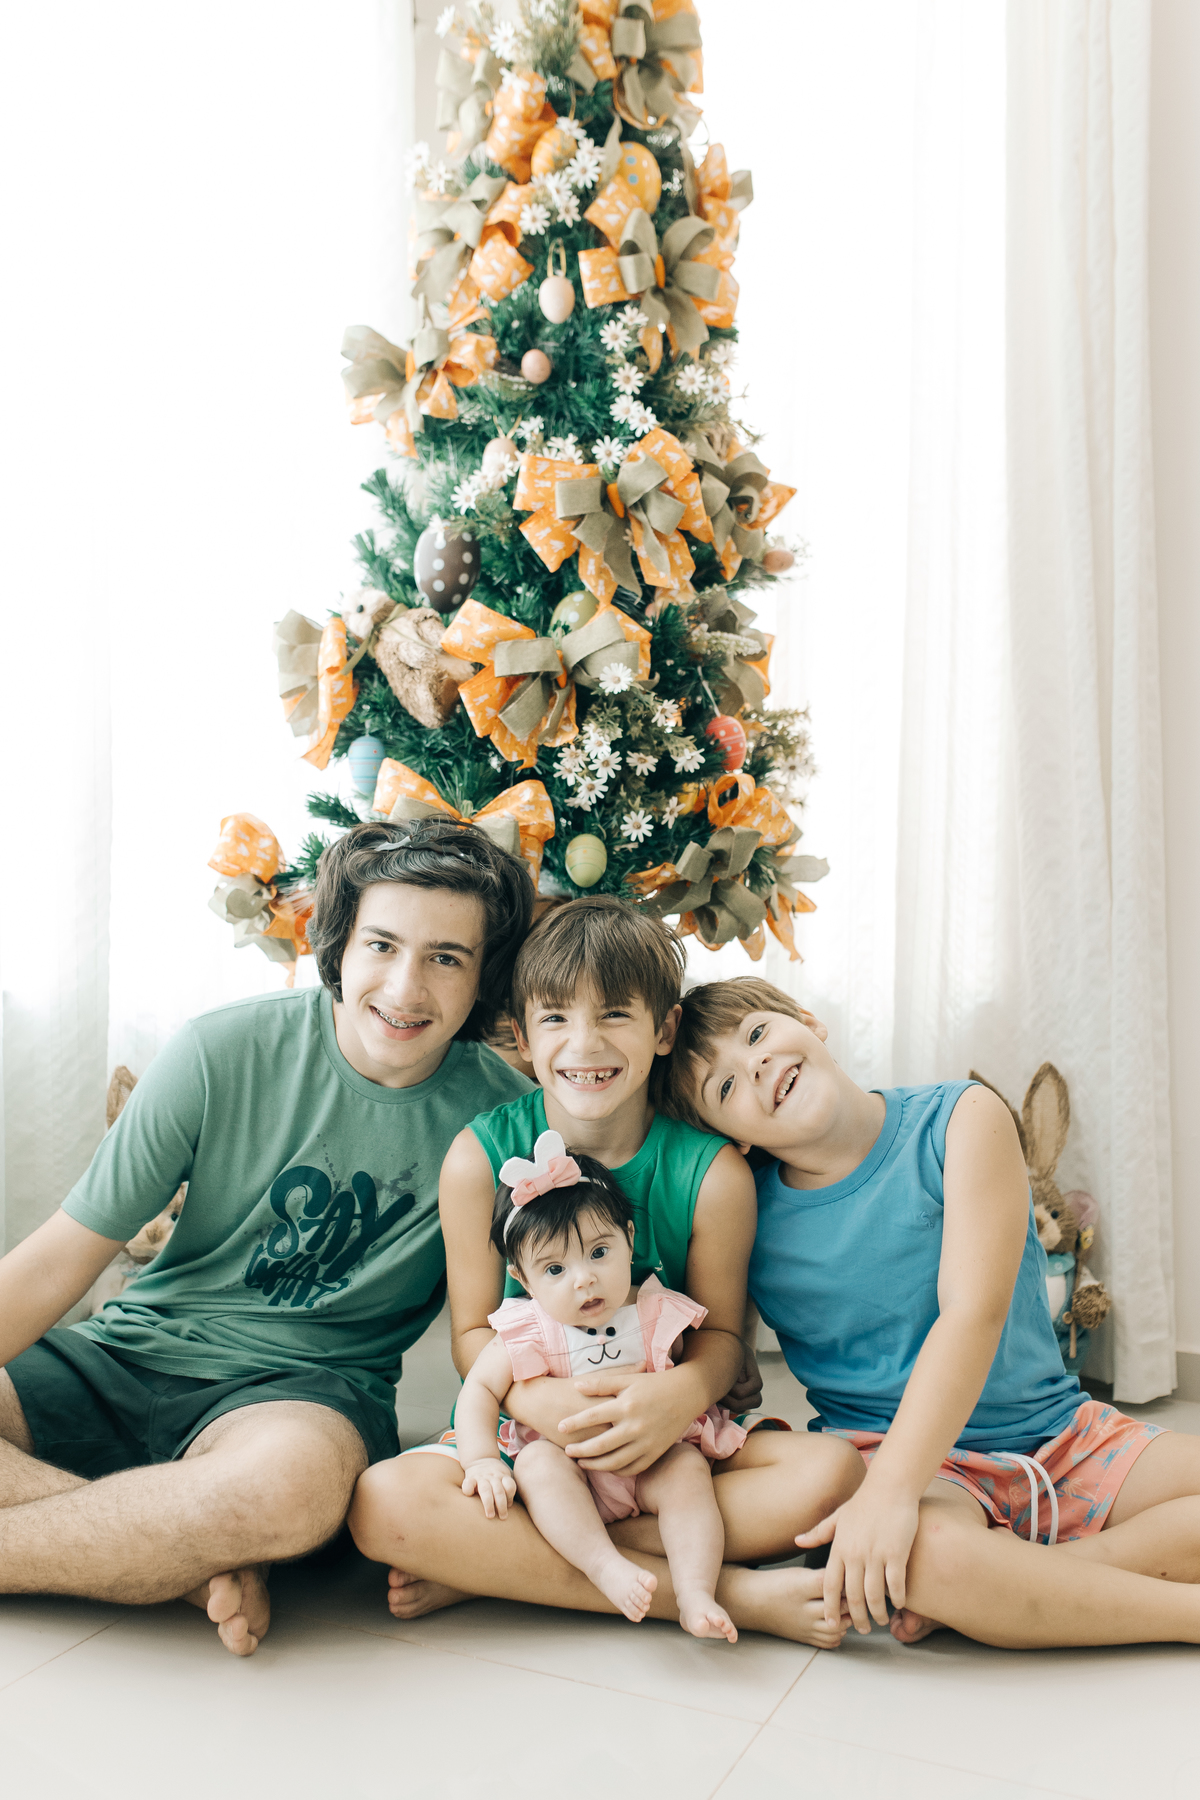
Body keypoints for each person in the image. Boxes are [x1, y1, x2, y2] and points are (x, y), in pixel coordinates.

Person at [0, 819, 533, 1656]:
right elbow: (56, 1261)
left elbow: (523, 1321)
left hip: (301, 1399)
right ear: (338, 944)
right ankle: (173, 1557)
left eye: (446, 958)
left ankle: (151, 1540)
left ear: (482, 979)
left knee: (288, 1492)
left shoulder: (505, 1123)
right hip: (123, 1355)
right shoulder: (217, 1051)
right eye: (382, 945)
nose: (405, 988)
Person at [350, 897, 863, 1646]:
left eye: (616, 1014)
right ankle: (731, 1595)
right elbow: (471, 1336)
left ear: (664, 1030)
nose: (584, 1043)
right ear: (522, 1036)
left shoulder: (712, 1174)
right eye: (556, 1018)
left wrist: (679, 1396)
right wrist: (540, 1403)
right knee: (381, 1503)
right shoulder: (479, 1158)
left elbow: (723, 1339)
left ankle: (505, 1563)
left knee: (834, 1473)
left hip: (669, 1439)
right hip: (535, 1437)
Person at [660, 973, 1200, 1651]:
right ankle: (1171, 1614)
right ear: (729, 1138)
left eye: (758, 1033)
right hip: (895, 1459)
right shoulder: (744, 1204)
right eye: (725, 1088)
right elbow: (716, 1331)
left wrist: (889, 1498)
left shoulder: (962, 1117)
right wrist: (885, 1490)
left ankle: (1033, 1583)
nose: (756, 1064)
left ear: (809, 1020)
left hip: (1058, 1433)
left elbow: (971, 1314)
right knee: (930, 1556)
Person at [458, 1136, 744, 1640]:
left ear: (629, 1240)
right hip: (571, 1468)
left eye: (598, 1252)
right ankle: (602, 1564)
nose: (583, 1280)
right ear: (523, 1279)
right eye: (554, 1269)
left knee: (688, 1470)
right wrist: (480, 1460)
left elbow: (698, 1359)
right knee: (537, 1465)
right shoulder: (530, 1328)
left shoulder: (655, 1310)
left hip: (650, 1461)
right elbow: (479, 1388)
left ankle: (695, 1590)